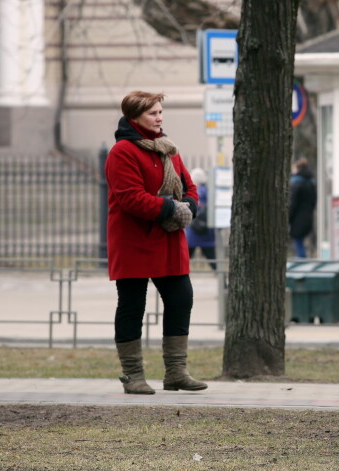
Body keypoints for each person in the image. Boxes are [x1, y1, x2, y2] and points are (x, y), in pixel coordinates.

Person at [105, 90, 207, 395]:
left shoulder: (169, 149)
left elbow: (190, 185)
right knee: (132, 306)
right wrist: (170, 208)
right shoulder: (122, 152)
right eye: (153, 113)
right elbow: (130, 198)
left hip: (169, 238)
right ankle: (132, 375)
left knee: (181, 298)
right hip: (134, 240)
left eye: (161, 112)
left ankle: (176, 372)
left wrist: (189, 205)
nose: (159, 117)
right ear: (135, 117)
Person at [185, 167, 217, 271]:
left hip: (193, 231)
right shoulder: (210, 192)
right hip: (207, 231)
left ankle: (168, 283)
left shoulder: (194, 192)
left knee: (184, 260)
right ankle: (224, 283)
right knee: (212, 259)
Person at [289, 157, 317, 258]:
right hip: (308, 217)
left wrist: (289, 217)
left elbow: (293, 203)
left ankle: (302, 262)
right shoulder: (311, 183)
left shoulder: (296, 184)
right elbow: (314, 202)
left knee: (298, 243)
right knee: (302, 242)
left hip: (298, 219)